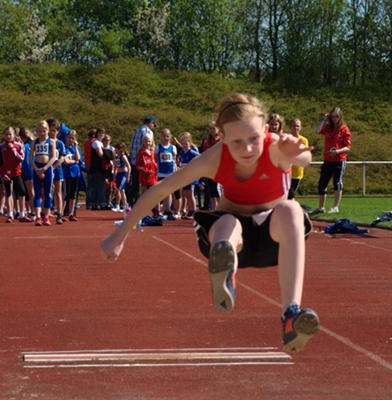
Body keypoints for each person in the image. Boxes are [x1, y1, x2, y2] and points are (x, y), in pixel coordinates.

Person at [101, 93, 319, 353]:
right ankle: (226, 271)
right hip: (228, 237)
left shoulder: (276, 148)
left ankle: (291, 314)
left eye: (253, 139)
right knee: (228, 221)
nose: (247, 149)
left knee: (291, 209)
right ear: (222, 138)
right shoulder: (214, 158)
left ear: (265, 130)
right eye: (237, 142)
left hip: (273, 237)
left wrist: (298, 154)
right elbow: (160, 190)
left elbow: (303, 159)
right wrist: (121, 235)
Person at [311, 107, 351, 215]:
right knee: (322, 183)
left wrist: (337, 151)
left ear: (340, 117)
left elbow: (348, 147)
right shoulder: (328, 128)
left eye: (337, 116)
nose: (334, 118)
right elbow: (317, 130)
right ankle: (321, 207)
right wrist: (324, 120)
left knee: (337, 183)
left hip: (339, 160)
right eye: (333, 116)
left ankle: (335, 207)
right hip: (328, 159)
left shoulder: (344, 129)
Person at [0, 127, 31, 223]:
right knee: (8, 193)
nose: (8, 136)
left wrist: (13, 150)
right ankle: (10, 214)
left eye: (10, 134)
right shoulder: (1, 147)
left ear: (14, 135)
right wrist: (3, 174)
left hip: (16, 172)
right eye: (6, 134)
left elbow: (21, 159)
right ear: (4, 135)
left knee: (22, 191)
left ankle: (22, 214)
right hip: (6, 174)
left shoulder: (19, 145)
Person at [29, 120, 57, 226]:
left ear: (48, 131)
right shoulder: (34, 142)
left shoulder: (52, 142)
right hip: (37, 168)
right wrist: (36, 169)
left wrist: (45, 168)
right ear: (37, 131)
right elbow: (30, 158)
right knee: (37, 193)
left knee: (47, 193)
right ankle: (38, 217)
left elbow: (53, 157)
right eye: (40, 131)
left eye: (44, 131)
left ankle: (46, 216)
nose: (42, 133)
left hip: (47, 168)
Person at [128, 115, 157, 206]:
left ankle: (133, 205)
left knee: (135, 185)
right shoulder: (148, 132)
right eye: (153, 124)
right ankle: (146, 206)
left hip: (134, 161)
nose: (153, 126)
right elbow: (150, 147)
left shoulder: (136, 131)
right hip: (145, 163)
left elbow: (131, 146)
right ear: (150, 123)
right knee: (147, 186)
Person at [155, 128, 178, 220]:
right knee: (161, 192)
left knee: (168, 192)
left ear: (170, 137)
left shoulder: (173, 147)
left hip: (170, 173)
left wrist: (175, 170)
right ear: (161, 137)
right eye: (164, 136)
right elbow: (156, 159)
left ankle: (167, 210)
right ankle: (159, 210)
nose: (166, 138)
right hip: (160, 173)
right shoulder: (158, 147)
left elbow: (174, 160)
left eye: (167, 136)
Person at [47, 118, 66, 224]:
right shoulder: (44, 143)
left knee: (58, 192)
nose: (52, 132)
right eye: (50, 130)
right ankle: (46, 212)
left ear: (58, 131)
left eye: (54, 130)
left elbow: (62, 158)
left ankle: (59, 213)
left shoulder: (60, 144)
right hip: (46, 169)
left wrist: (52, 168)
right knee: (46, 191)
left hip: (57, 170)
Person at [135, 134, 159, 217]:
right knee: (144, 197)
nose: (147, 142)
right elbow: (137, 165)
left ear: (152, 142)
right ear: (143, 142)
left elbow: (156, 164)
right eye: (146, 141)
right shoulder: (141, 152)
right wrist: (144, 170)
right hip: (144, 178)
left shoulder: (153, 152)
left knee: (154, 196)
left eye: (149, 141)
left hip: (153, 178)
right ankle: (143, 213)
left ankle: (156, 212)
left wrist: (156, 169)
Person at [178, 132, 200, 219]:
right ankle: (189, 210)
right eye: (183, 143)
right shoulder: (182, 153)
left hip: (191, 176)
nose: (184, 145)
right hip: (185, 176)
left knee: (190, 194)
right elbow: (180, 162)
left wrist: (192, 166)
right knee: (186, 193)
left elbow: (200, 157)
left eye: (186, 143)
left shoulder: (192, 152)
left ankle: (193, 211)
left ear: (189, 143)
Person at [200, 121, 221, 210]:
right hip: (209, 169)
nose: (212, 130)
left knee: (218, 190)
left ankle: (223, 210)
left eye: (214, 128)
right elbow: (204, 154)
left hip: (219, 169)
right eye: (210, 129)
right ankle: (214, 209)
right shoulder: (206, 141)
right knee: (211, 191)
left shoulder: (222, 140)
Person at [62, 130, 82, 221]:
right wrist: (74, 161)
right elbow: (65, 161)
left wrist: (76, 147)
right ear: (66, 138)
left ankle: (71, 213)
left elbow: (78, 158)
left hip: (76, 173)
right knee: (66, 194)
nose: (71, 140)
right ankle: (61, 213)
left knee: (73, 194)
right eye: (69, 138)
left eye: (73, 138)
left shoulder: (75, 148)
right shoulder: (64, 148)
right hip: (67, 174)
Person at [288, 118, 309, 199]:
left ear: (300, 127)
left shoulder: (304, 140)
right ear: (290, 127)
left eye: (297, 126)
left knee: (291, 194)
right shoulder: (287, 138)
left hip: (297, 173)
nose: (295, 128)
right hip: (286, 172)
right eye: (293, 126)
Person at [112, 143, 131, 213]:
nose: (115, 150)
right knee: (118, 190)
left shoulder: (123, 156)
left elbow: (129, 166)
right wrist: (114, 174)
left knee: (121, 190)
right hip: (118, 175)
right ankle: (118, 205)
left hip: (123, 174)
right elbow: (115, 167)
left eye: (116, 149)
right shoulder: (116, 157)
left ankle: (125, 206)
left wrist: (128, 176)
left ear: (119, 149)